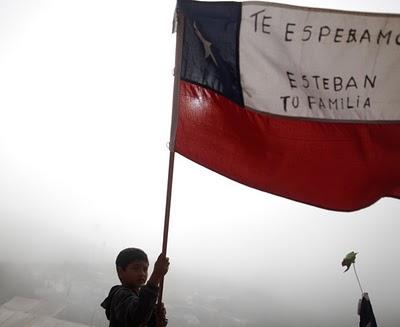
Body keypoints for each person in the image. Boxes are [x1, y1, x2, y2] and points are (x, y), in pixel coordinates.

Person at [101, 248, 170, 327]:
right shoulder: (120, 295)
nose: (142, 273)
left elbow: (141, 320)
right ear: (120, 272)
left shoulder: (136, 298)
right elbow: (137, 317)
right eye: (136, 268)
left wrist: (155, 319)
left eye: (145, 269)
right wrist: (156, 276)